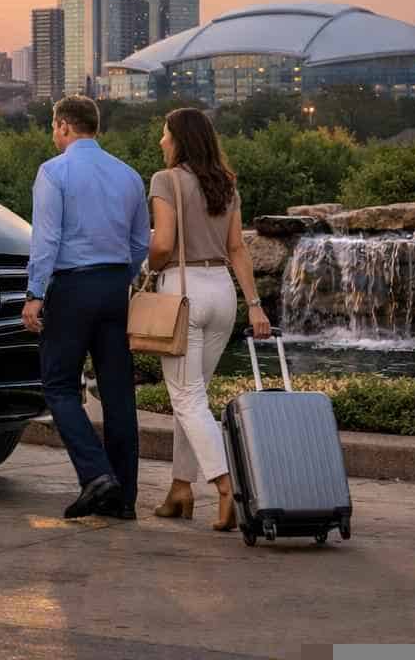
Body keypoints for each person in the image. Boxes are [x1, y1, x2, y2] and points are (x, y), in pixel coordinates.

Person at [22, 95, 149, 520]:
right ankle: (124, 498)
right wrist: (121, 279)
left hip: (73, 287)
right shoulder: (129, 175)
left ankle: (96, 476)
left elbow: (46, 240)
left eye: (52, 126)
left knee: (58, 385)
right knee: (118, 394)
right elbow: (139, 245)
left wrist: (34, 293)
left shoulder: (53, 172)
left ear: (63, 127)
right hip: (116, 287)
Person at [148, 107, 272, 531]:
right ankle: (180, 490)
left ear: (180, 140)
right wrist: (254, 304)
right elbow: (238, 248)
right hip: (223, 292)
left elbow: (163, 244)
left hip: (183, 292)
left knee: (186, 398)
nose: (161, 142)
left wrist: (145, 265)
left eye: (165, 135)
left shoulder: (166, 181)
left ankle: (227, 487)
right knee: (194, 396)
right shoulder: (226, 184)